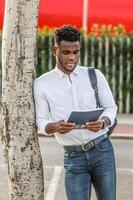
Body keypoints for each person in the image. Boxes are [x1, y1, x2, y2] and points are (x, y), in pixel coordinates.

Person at [34, 25, 117, 200]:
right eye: (66, 52)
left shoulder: (95, 75)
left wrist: (103, 122)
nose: (72, 57)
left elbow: (111, 107)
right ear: (55, 50)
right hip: (73, 157)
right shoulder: (42, 83)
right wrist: (53, 127)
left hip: (102, 150)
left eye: (76, 52)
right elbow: (40, 121)